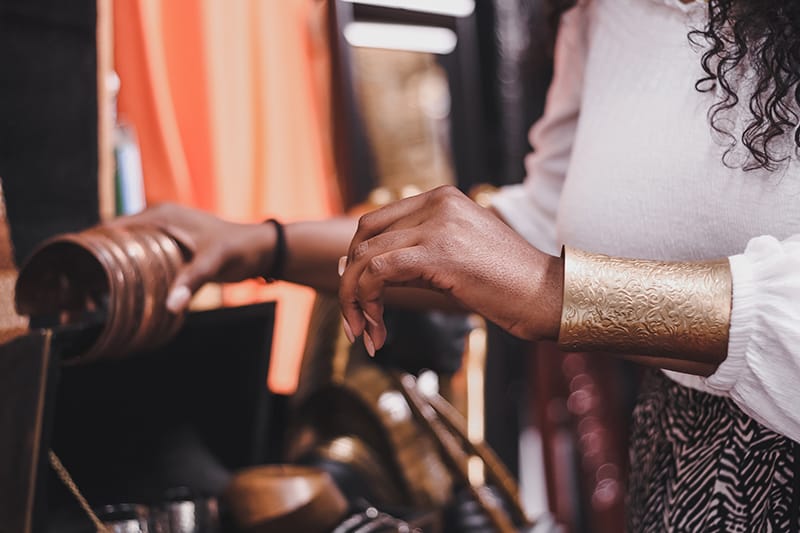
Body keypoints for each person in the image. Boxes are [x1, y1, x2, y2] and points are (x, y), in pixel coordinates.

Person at [117, 0, 800, 529]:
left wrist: (553, 293)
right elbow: (543, 228)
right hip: (678, 466)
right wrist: (257, 246)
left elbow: (544, 275)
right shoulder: (598, 13)